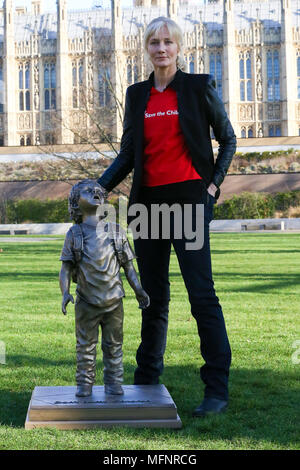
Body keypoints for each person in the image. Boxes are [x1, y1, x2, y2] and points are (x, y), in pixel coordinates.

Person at [97, 17, 236, 417]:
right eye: (154, 43)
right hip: (147, 206)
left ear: (178, 48)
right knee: (151, 298)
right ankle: (147, 381)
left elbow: (228, 139)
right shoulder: (137, 94)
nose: (161, 49)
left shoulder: (197, 88)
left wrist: (211, 187)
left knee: (201, 296)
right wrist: (99, 187)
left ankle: (216, 389)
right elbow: (127, 154)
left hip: (189, 203)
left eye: (168, 42)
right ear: (147, 49)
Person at [59, 179, 149, 398]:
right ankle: (84, 385)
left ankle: (114, 384)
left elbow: (129, 267)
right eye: (88, 191)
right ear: (75, 203)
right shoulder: (74, 234)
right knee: (85, 347)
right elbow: (65, 267)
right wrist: (65, 292)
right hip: (86, 302)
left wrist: (139, 290)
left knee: (114, 346)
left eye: (99, 191)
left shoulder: (116, 232)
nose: (96, 193)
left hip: (114, 302)